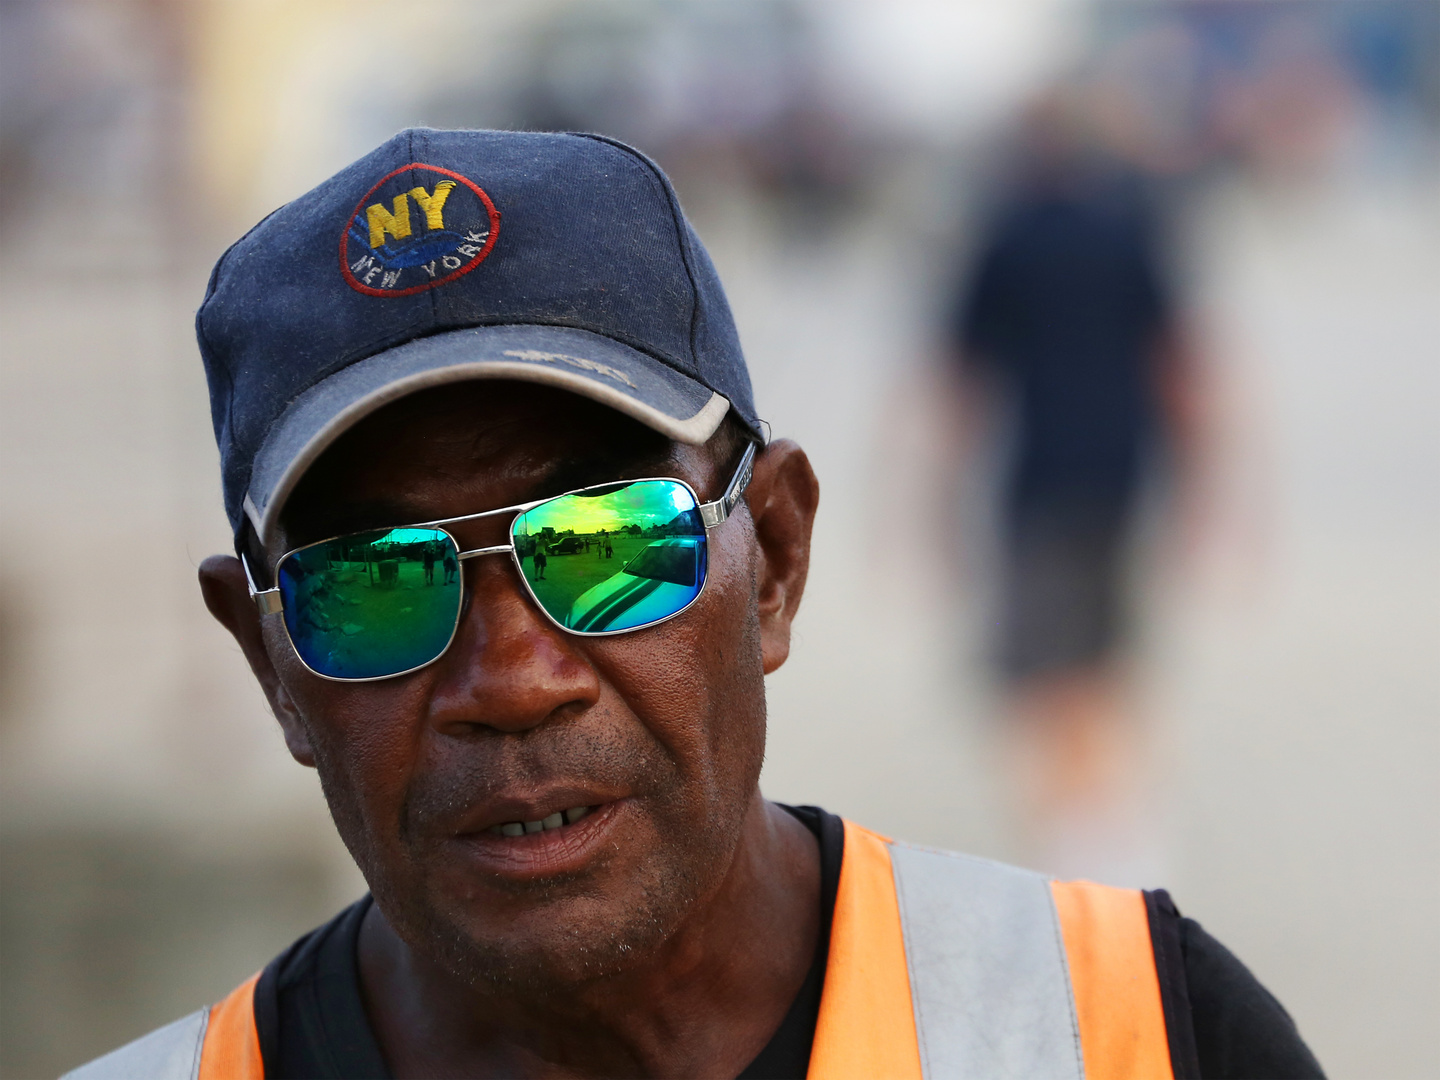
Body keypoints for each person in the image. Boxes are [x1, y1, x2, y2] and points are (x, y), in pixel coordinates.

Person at [67, 129, 1319, 1079]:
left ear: (772, 557)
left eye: (609, 543)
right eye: (375, 584)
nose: (509, 678)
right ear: (270, 663)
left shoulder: (1138, 1034)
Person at [948, 100, 1202, 885]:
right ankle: (1120, 822)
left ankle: (1078, 834)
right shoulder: (1132, 230)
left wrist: (930, 505)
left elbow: (963, 381)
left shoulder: (1006, 235)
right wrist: (1207, 487)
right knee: (1107, 661)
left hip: (1040, 483)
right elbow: (1180, 364)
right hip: (1124, 476)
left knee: (1042, 674)